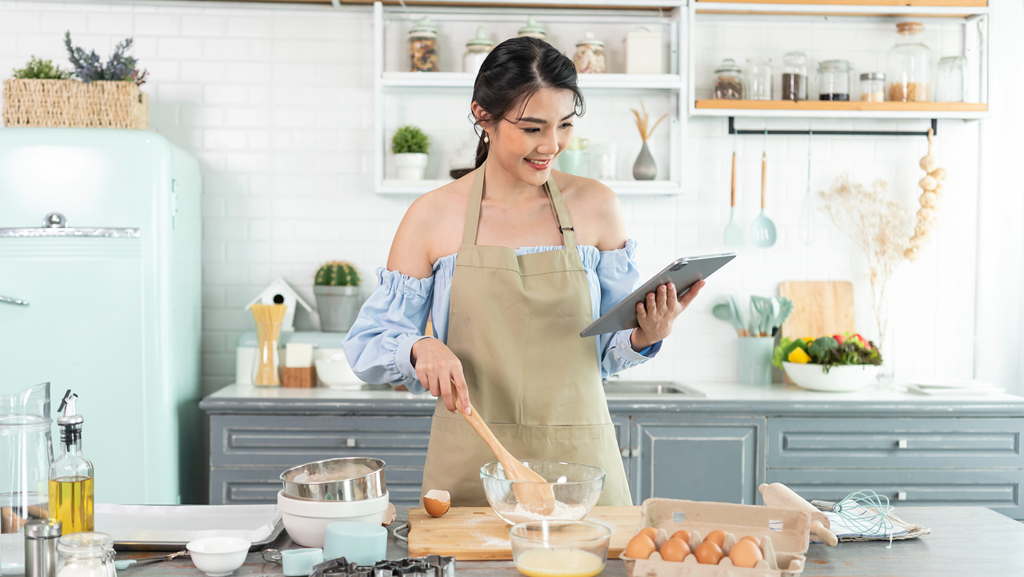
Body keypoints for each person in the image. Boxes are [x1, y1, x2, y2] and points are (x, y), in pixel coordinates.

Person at [343, 37, 704, 507]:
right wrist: (418, 345)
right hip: (472, 462)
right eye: (533, 128)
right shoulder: (432, 217)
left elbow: (606, 352)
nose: (551, 146)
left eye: (565, 125)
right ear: (482, 116)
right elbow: (367, 343)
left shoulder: (597, 207)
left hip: (581, 466)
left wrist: (645, 334)